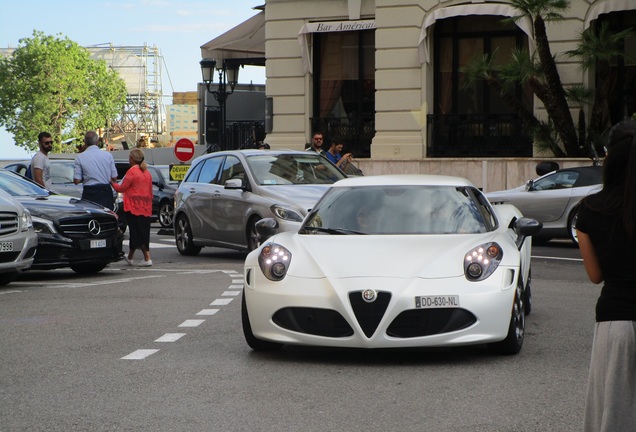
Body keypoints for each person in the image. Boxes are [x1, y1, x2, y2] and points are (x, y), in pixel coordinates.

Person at [576, 119, 636, 432]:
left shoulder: (589, 210)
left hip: (617, 323)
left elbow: (595, 275)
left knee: (614, 416)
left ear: (609, 157)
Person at [111, 148, 153, 267]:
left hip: (133, 206)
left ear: (133, 159)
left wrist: (111, 182)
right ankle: (130, 257)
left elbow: (121, 188)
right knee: (142, 231)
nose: (129, 160)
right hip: (145, 206)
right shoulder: (146, 173)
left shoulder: (132, 172)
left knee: (136, 232)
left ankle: (147, 257)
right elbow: (150, 191)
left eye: (130, 158)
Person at [73, 131, 118, 210]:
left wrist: (86, 177)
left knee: (91, 218)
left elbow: (77, 180)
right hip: (105, 192)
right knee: (106, 218)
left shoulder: (79, 157)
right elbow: (114, 177)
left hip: (89, 193)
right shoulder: (108, 155)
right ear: (97, 141)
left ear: (84, 142)